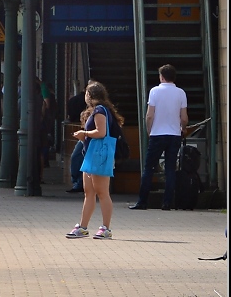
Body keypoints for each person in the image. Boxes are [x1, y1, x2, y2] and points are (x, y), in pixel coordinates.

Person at [66, 81, 123, 240]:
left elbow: (101, 132)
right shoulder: (102, 110)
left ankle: (106, 228)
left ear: (90, 96)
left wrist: (84, 133)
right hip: (92, 155)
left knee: (102, 192)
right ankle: (83, 227)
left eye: (86, 94)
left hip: (98, 155)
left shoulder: (99, 111)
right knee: (89, 192)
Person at [129, 63, 188, 210]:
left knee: (149, 168)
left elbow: (149, 115)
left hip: (157, 134)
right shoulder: (181, 93)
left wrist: (149, 130)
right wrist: (184, 129)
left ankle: (142, 201)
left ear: (161, 77)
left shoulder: (155, 91)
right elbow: (184, 117)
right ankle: (167, 203)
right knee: (170, 169)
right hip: (174, 134)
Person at [66, 82, 92, 193]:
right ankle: (79, 182)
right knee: (78, 157)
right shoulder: (94, 108)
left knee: (78, 157)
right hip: (87, 134)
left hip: (90, 136)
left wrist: (85, 134)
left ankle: (79, 182)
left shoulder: (99, 109)